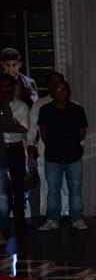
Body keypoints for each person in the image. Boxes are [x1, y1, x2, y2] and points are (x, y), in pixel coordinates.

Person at [37, 80, 88, 231]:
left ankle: (77, 218)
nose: (61, 92)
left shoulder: (77, 109)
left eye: (64, 89)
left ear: (69, 91)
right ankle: (52, 219)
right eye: (58, 89)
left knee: (75, 188)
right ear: (53, 92)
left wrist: (72, 144)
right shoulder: (45, 109)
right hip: (53, 155)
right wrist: (54, 144)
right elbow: (43, 131)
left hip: (73, 155)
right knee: (53, 189)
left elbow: (82, 131)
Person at [27, 72, 65, 222]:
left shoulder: (73, 104)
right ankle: (46, 214)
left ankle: (65, 213)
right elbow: (32, 128)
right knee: (46, 184)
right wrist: (30, 145)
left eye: (59, 81)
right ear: (48, 85)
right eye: (52, 81)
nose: (56, 84)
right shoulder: (39, 104)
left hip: (67, 151)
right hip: (45, 151)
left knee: (65, 184)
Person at [0, 74, 29, 243]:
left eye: (9, 86)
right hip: (1, 150)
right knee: (3, 191)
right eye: (3, 86)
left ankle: (19, 222)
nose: (7, 89)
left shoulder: (21, 106)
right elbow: (14, 126)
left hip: (16, 149)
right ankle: (4, 226)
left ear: (14, 87)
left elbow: (23, 128)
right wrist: (12, 124)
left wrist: (6, 123)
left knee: (18, 187)